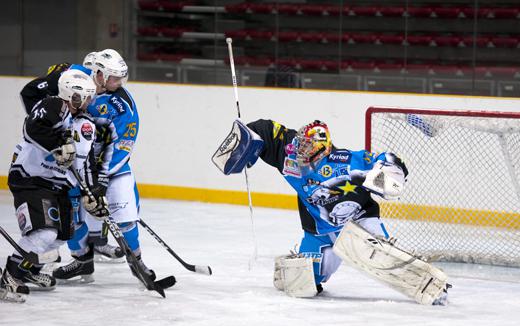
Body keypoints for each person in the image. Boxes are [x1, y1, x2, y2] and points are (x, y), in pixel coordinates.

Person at [212, 119, 449, 305]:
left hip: (359, 221)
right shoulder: (289, 156)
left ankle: (430, 284)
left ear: (322, 147)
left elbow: (390, 169)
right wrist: (246, 139)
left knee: (383, 258)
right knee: (299, 286)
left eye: (306, 146)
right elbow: (266, 130)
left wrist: (383, 174)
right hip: (319, 232)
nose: (298, 150)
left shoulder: (349, 160)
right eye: (299, 144)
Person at [52, 49, 157, 283]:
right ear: (98, 74)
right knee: (70, 216)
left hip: (112, 170)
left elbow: (123, 147)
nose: (119, 83)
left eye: (121, 78)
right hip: (74, 165)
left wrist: (99, 181)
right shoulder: (75, 76)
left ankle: (137, 261)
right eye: (114, 77)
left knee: (126, 218)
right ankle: (82, 262)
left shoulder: (123, 106)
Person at [0, 70, 104, 303]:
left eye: (90, 98)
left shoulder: (87, 125)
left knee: (63, 235)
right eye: (83, 97)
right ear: (70, 95)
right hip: (31, 178)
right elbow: (32, 129)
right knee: (44, 232)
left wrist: (94, 191)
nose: (87, 102)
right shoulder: (54, 104)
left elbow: (86, 162)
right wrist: (57, 145)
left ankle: (28, 270)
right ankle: (10, 276)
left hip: (59, 185)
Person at [18, 53, 124, 262]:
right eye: (113, 77)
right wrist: (50, 131)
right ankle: (44, 249)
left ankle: (89, 245)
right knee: (52, 204)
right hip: (45, 150)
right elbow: (29, 93)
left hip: (70, 145)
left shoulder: (93, 95)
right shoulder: (66, 78)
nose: (116, 84)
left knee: (76, 201)